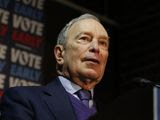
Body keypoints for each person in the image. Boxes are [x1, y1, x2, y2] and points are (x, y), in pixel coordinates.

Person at [0, 13, 110, 120]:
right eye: (84, 38)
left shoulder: (115, 111)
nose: (96, 47)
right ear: (60, 54)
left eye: (103, 43)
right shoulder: (23, 99)